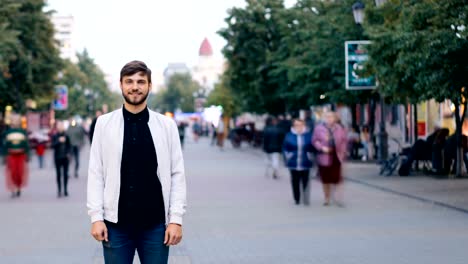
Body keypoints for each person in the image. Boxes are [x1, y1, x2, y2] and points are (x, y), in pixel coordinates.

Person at [87, 61, 186, 264]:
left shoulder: (166, 126)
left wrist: (176, 219)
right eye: (129, 81)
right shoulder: (104, 124)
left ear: (150, 85)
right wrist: (96, 217)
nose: (135, 87)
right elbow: (96, 172)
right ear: (121, 85)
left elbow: (177, 174)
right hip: (115, 225)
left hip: (155, 225)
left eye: (141, 81)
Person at [312, 112, 347, 206]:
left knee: (337, 178)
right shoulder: (318, 128)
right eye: (327, 117)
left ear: (335, 118)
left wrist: (343, 152)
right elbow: (314, 140)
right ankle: (326, 198)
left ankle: (337, 197)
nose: (329, 119)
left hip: (337, 155)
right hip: (324, 156)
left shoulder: (339, 128)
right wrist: (321, 148)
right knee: (326, 179)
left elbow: (344, 141)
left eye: (331, 117)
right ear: (324, 118)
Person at [282, 119, 314, 205]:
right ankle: (297, 198)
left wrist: (310, 156)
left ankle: (306, 198)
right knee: (295, 182)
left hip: (306, 162)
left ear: (304, 125)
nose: (298, 127)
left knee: (305, 181)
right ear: (293, 126)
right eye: (296, 125)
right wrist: (288, 157)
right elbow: (285, 148)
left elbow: (313, 147)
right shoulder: (289, 135)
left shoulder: (309, 135)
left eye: (300, 125)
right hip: (293, 163)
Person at [1, 115, 30, 198]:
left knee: (20, 172)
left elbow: (26, 145)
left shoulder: (23, 132)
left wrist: (27, 155)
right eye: (14, 120)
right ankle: (13, 187)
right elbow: (5, 145)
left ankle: (18, 187)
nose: (15, 121)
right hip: (11, 155)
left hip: (20, 155)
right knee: (12, 172)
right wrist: (4, 155)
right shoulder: (7, 132)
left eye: (17, 120)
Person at [52, 121, 71, 197]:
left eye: (61, 125)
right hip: (57, 157)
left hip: (65, 158)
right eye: (59, 126)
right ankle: (59, 190)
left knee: (65, 174)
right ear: (57, 127)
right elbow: (52, 145)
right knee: (58, 174)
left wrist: (68, 153)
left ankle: (65, 190)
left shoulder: (66, 135)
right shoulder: (55, 136)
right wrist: (58, 141)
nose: (60, 127)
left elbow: (69, 146)